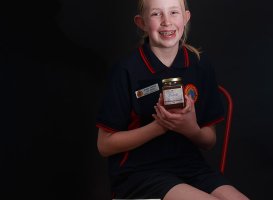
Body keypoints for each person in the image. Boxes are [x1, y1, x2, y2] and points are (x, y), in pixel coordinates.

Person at [96, 0, 249, 199]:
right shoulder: (125, 70)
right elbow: (104, 145)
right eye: (156, 14)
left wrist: (190, 128)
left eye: (174, 12)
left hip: (190, 167)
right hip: (140, 172)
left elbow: (209, 140)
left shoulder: (200, 66)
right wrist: (160, 126)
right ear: (141, 22)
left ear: (186, 18)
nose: (166, 22)